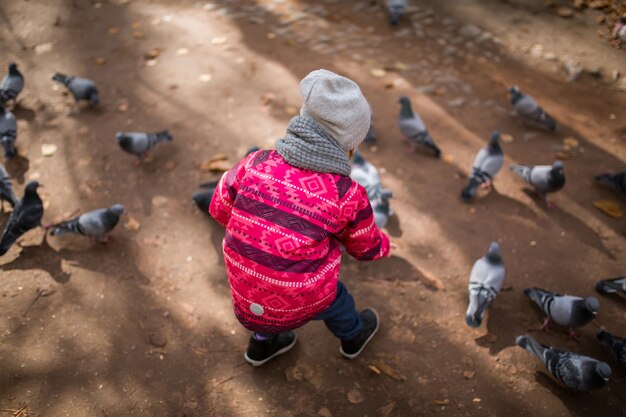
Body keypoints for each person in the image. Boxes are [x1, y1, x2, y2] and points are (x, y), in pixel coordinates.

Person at [209, 69, 391, 366]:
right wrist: (383, 245)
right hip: (304, 298)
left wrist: (257, 232)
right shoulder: (345, 194)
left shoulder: (255, 162)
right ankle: (353, 337)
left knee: (265, 305)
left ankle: (261, 347)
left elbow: (219, 207)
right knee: (336, 299)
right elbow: (364, 247)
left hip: (245, 293)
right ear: (350, 146)